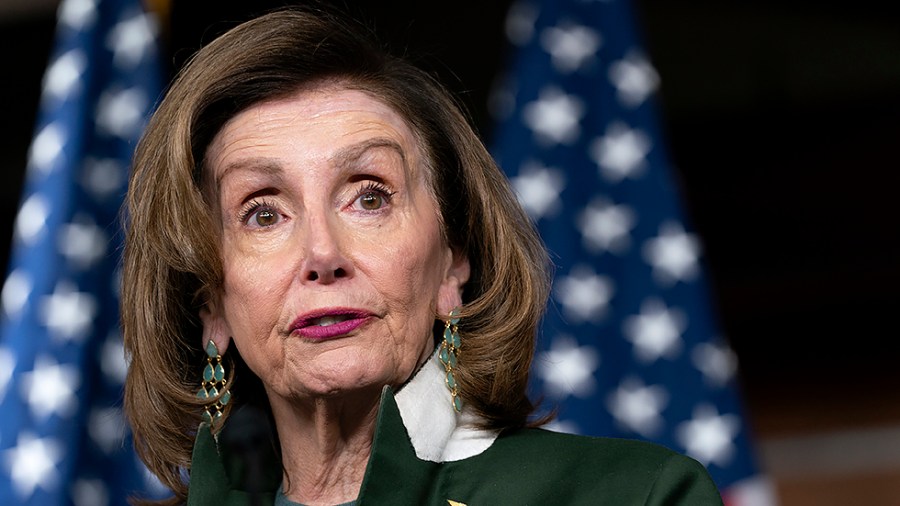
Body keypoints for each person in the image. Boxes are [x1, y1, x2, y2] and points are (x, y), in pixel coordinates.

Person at [122, 8, 723, 506]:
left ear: (453, 264)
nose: (322, 254)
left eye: (370, 197)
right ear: (210, 305)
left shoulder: (634, 496)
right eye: (263, 213)